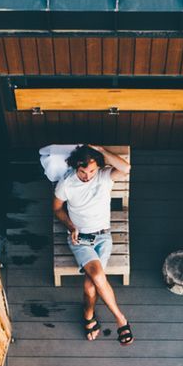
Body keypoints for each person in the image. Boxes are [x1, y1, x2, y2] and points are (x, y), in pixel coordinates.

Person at [52, 145, 133, 344]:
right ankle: (120, 319)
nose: (87, 176)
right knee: (97, 275)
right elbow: (57, 209)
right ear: (75, 166)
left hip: (103, 236)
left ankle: (88, 316)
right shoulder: (67, 183)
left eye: (91, 171)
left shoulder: (104, 176)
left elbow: (126, 168)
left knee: (90, 287)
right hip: (80, 238)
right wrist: (71, 227)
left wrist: (102, 151)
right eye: (83, 171)